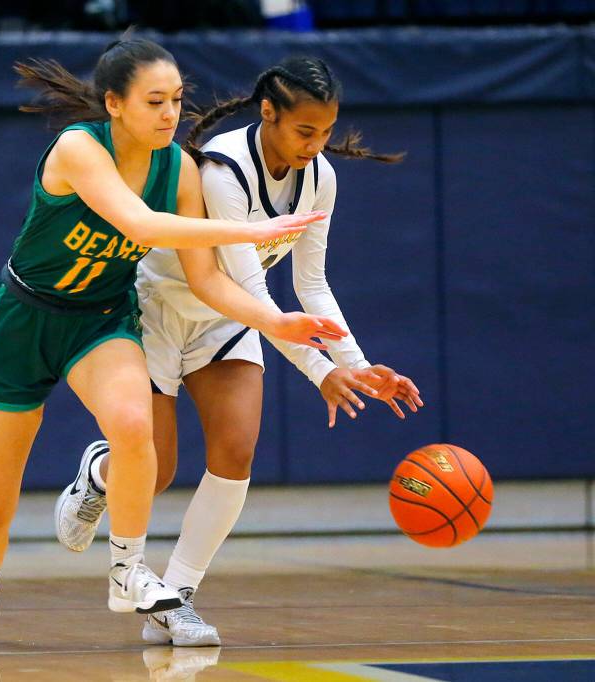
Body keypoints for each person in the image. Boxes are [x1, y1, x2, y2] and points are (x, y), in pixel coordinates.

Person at [0, 38, 350, 647]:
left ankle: (128, 571)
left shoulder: (180, 169)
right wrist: (251, 227)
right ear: (114, 104)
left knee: (136, 427)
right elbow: (138, 224)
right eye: (155, 101)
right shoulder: (80, 148)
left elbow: (207, 278)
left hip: (99, 319)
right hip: (23, 319)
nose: (170, 115)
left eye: (177, 101)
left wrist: (275, 322)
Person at [54, 55, 424, 645]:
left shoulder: (321, 177)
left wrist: (356, 367)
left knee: (236, 448)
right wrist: (318, 371)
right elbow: (250, 287)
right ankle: (99, 475)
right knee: (158, 468)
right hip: (160, 306)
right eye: (305, 132)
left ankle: (175, 599)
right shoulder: (224, 168)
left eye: (326, 132)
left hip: (226, 322)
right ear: (269, 113)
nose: (316, 145)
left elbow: (311, 286)